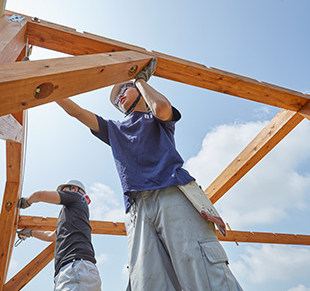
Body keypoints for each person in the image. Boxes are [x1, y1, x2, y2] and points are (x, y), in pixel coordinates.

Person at [56, 58, 243, 291]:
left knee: (202, 271)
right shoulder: (114, 129)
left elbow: (162, 108)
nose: (119, 97)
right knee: (148, 282)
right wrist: (48, 85)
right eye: (116, 99)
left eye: (124, 89)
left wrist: (140, 80)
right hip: (137, 209)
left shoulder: (156, 120)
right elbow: (77, 112)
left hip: (172, 192)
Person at [17, 179, 101, 291]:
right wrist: (30, 232)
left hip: (75, 267)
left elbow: (40, 195)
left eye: (65, 191)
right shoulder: (72, 215)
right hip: (75, 269)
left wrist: (27, 201)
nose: (63, 194)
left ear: (74, 189)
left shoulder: (76, 197)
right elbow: (52, 236)